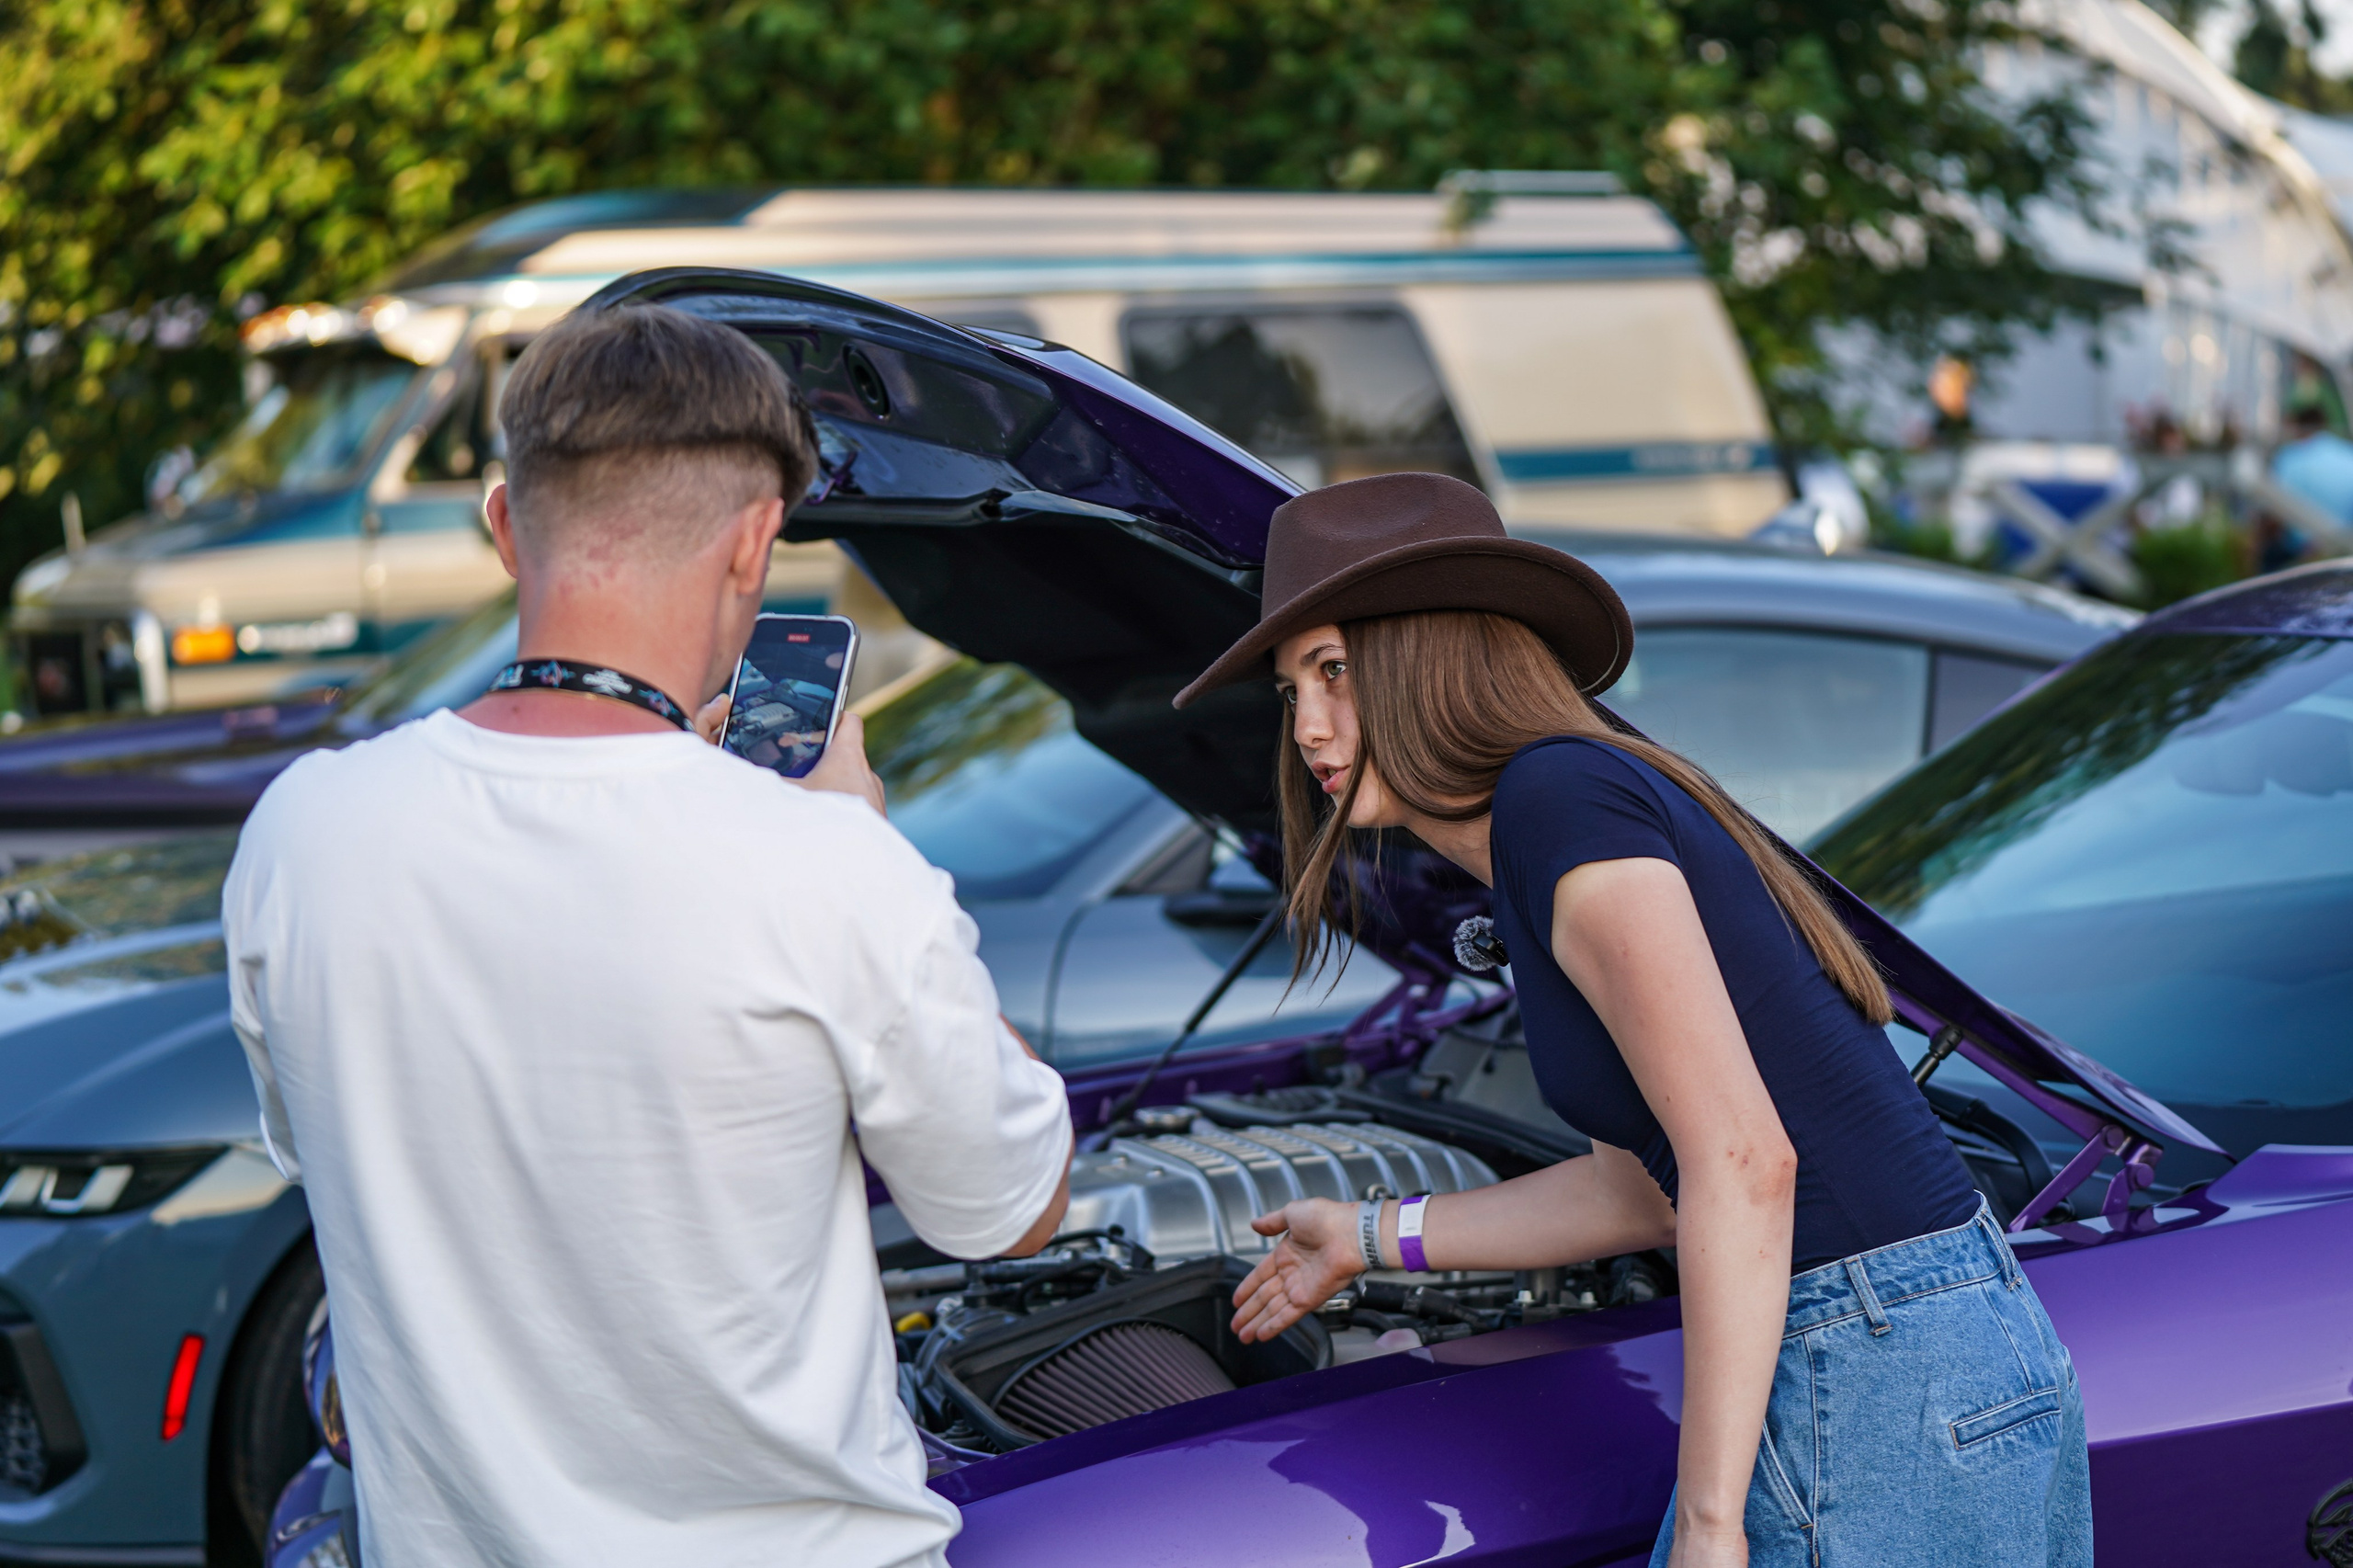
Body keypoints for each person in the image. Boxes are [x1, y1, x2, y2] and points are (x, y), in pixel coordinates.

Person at [224, 302, 1073, 1568]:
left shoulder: (300, 831)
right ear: (754, 546)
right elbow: (1011, 1212)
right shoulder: (829, 865)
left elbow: (318, 1149)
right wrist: (865, 836)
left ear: (506, 527)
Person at [1175, 472, 2090, 1568]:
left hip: (1877, 1355)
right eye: (1289, 693)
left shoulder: (1560, 799)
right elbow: (1638, 1190)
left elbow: (1746, 1162)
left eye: (1334, 671)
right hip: (1904, 1345)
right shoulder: (1550, 830)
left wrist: (1710, 1523)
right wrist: (1369, 1236)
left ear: (1433, 655)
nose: (1309, 728)